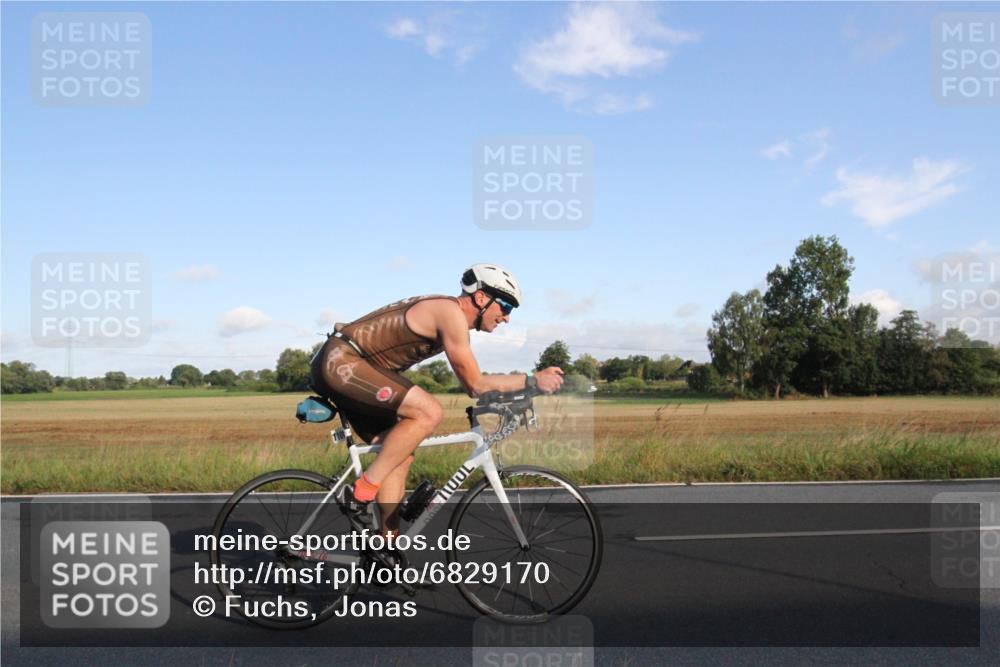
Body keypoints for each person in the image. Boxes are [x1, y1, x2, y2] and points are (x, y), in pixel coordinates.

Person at [309, 264, 564, 536]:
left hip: (350, 366)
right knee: (428, 411)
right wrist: (531, 380)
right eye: (505, 307)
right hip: (342, 364)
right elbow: (475, 385)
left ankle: (387, 550)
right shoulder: (450, 314)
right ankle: (359, 495)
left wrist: (520, 393)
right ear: (481, 298)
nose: (506, 318)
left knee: (397, 456)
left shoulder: (448, 312)